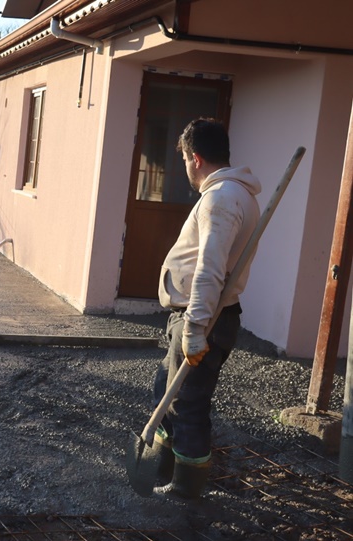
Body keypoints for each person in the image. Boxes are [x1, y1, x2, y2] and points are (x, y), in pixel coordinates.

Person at [151, 118, 261, 500]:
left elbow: (210, 268)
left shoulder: (221, 198)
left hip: (205, 320)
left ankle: (186, 489)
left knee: (188, 405)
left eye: (183, 159)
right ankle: (162, 465)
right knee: (165, 391)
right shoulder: (233, 194)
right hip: (197, 317)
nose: (185, 167)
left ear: (195, 158)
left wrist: (196, 329)